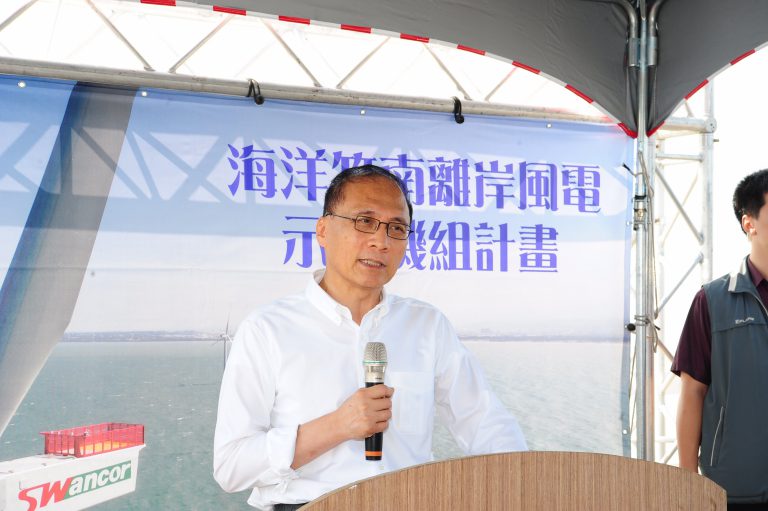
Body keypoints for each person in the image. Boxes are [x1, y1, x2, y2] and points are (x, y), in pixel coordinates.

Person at [213, 164, 527, 510]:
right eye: (365, 221)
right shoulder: (267, 329)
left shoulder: (427, 325)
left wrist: (524, 484)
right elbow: (231, 467)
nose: (381, 241)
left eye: (397, 228)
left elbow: (484, 421)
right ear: (323, 230)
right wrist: (336, 426)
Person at [672, 168, 768, 509]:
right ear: (749, 223)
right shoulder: (712, 301)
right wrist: (687, 481)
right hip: (732, 490)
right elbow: (693, 393)